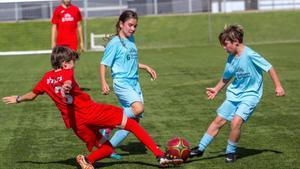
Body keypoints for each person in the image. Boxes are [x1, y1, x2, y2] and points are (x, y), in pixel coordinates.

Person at [2, 46, 182, 169]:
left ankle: (86, 160)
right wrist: (66, 84)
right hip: (90, 112)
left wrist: (17, 98)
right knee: (132, 124)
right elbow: (66, 79)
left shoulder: (45, 79)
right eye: (72, 62)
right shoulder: (67, 71)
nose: (73, 65)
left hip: (76, 124)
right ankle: (160, 156)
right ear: (65, 63)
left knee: (107, 149)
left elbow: (32, 95)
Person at [189, 24, 285, 163]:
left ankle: (230, 152)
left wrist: (278, 86)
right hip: (234, 94)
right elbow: (227, 76)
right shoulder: (231, 57)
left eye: (225, 44)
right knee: (218, 121)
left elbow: (269, 67)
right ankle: (200, 148)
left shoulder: (250, 54)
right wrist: (216, 89)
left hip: (250, 95)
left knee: (235, 122)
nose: (224, 47)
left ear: (236, 42)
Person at [100, 10, 157, 159]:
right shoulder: (114, 43)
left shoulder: (131, 40)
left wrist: (146, 67)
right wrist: (103, 82)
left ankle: (108, 149)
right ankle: (107, 125)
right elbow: (103, 63)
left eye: (135, 26)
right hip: (121, 82)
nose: (132, 29)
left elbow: (130, 61)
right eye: (130, 25)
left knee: (132, 121)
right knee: (138, 108)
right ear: (121, 24)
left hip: (134, 83)